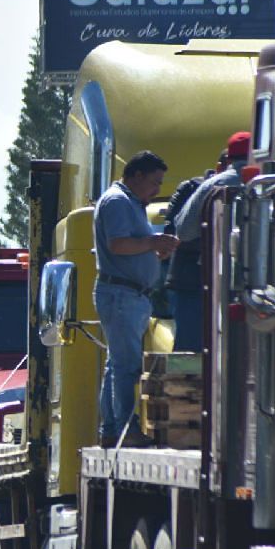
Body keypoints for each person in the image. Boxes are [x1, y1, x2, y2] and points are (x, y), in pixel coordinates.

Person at [93, 150, 180, 448]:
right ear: (137, 175)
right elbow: (118, 244)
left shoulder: (130, 202)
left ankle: (111, 429)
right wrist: (153, 242)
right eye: (155, 182)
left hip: (128, 293)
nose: (157, 189)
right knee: (126, 366)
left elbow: (131, 246)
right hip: (122, 293)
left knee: (117, 364)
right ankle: (124, 430)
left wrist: (154, 252)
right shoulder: (118, 202)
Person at [167, 131, 251, 352]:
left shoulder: (211, 185)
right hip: (259, 285)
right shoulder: (272, 181)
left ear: (228, 158)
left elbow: (183, 231)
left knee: (192, 353)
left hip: (209, 282)